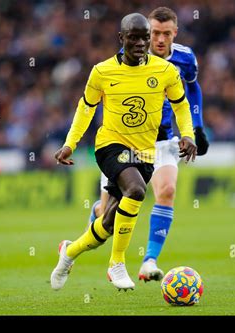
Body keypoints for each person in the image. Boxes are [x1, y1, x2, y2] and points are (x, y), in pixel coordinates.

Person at [51, 13, 197, 291]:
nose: (141, 43)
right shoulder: (102, 71)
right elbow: (86, 108)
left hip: (146, 153)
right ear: (122, 39)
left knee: (108, 222)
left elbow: (181, 105)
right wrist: (71, 143)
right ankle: (116, 263)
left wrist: (188, 134)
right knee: (137, 191)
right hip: (110, 146)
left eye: (145, 37)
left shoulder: (166, 71)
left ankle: (69, 253)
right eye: (134, 37)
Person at [88, 7, 209, 282]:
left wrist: (197, 128)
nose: (160, 39)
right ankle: (95, 215)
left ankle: (149, 261)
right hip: (123, 142)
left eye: (167, 33)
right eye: (155, 33)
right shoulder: (132, 57)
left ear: (175, 33)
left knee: (166, 190)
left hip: (164, 140)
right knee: (107, 217)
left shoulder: (186, 59)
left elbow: (193, 88)